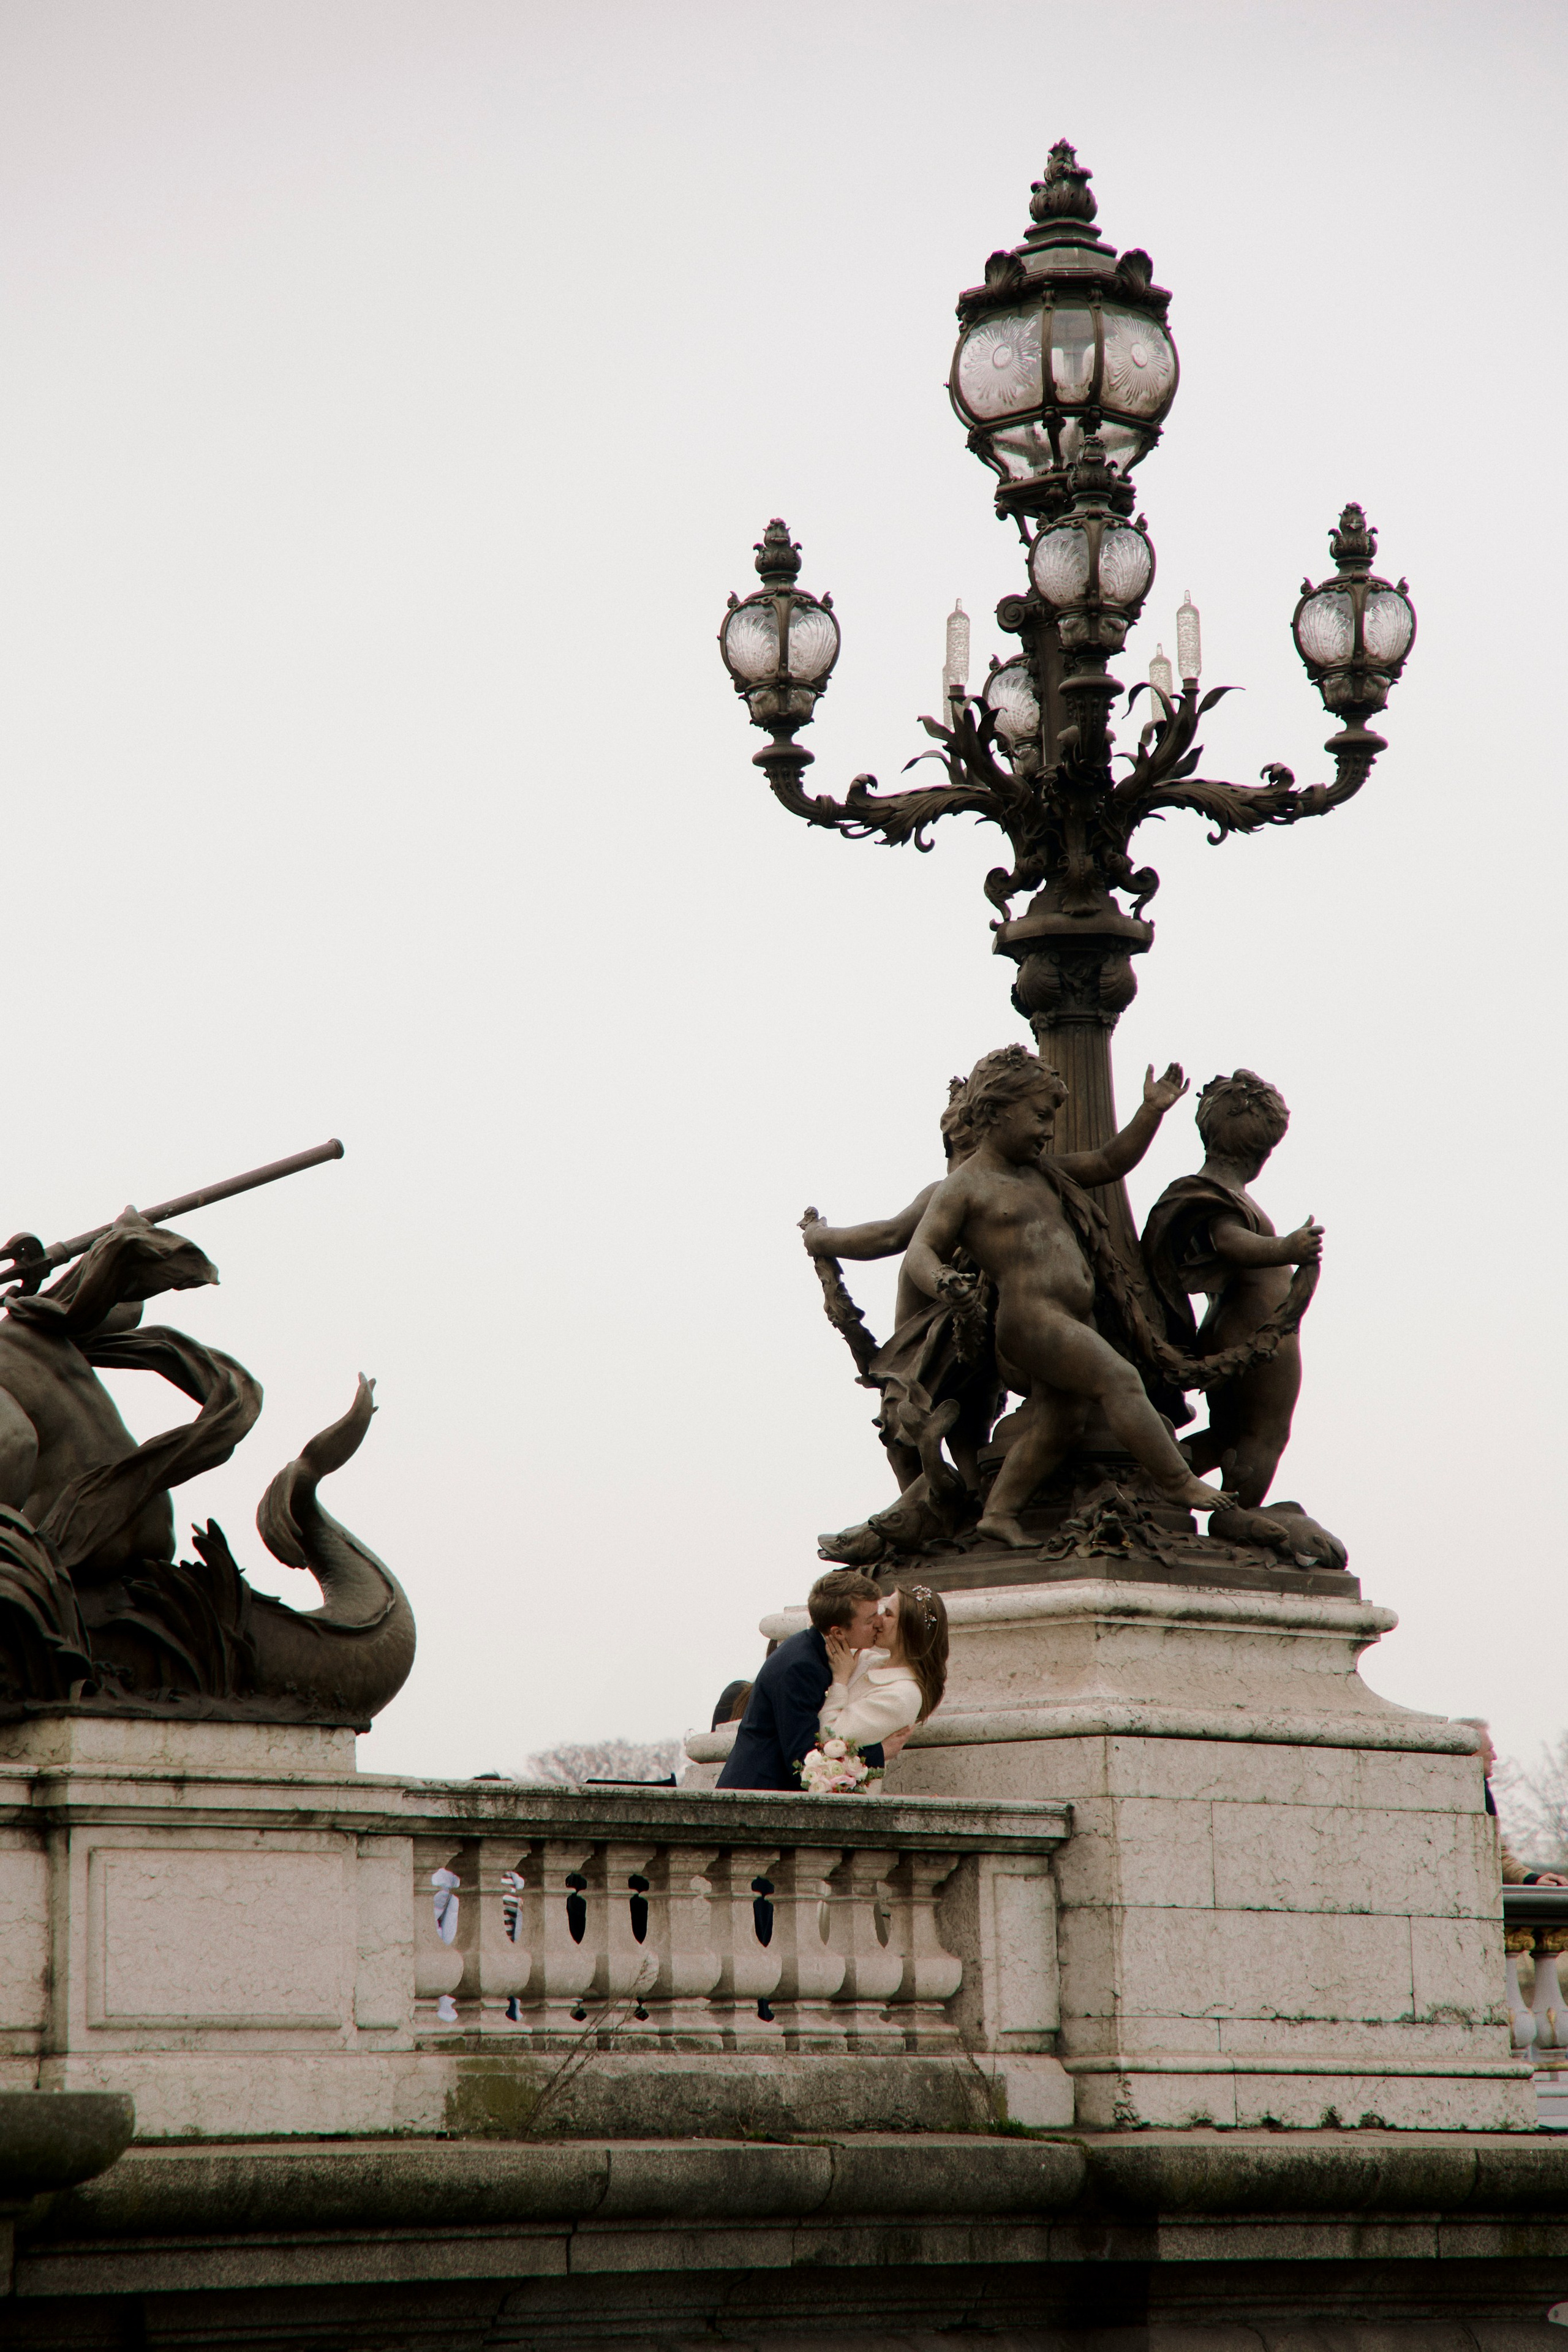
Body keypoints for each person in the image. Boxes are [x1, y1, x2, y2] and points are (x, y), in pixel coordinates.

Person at [904, 1046, 1227, 1548]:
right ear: (993, 1113)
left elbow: (1108, 1161)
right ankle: (1174, 1478)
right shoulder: (964, 1186)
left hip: (1069, 1316)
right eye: (1039, 1116)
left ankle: (1001, 1511)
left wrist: (1151, 1112)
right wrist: (945, 1280)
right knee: (1119, 1377)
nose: (1048, 1130)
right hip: (1031, 1319)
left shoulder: (1041, 1171)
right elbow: (919, 1251)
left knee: (1062, 1421)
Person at [717, 1569, 888, 1791]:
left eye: (879, 1612)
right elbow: (805, 1761)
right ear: (838, 1633)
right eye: (869, 1619)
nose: (879, 1623)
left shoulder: (814, 1653)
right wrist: (880, 1750)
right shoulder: (801, 1668)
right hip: (756, 1801)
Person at [818, 1583, 949, 1776]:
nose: (877, 1621)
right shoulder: (867, 1659)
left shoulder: (903, 1695)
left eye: (888, 1614)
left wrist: (840, 1680)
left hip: (842, 1799)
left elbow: (829, 1737)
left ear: (908, 1629)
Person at [1457, 1719, 1568, 1886]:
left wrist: (1533, 1879)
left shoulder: (1481, 1790)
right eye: (1490, 1749)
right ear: (1470, 1752)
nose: (1494, 1756)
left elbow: (1494, 1854)